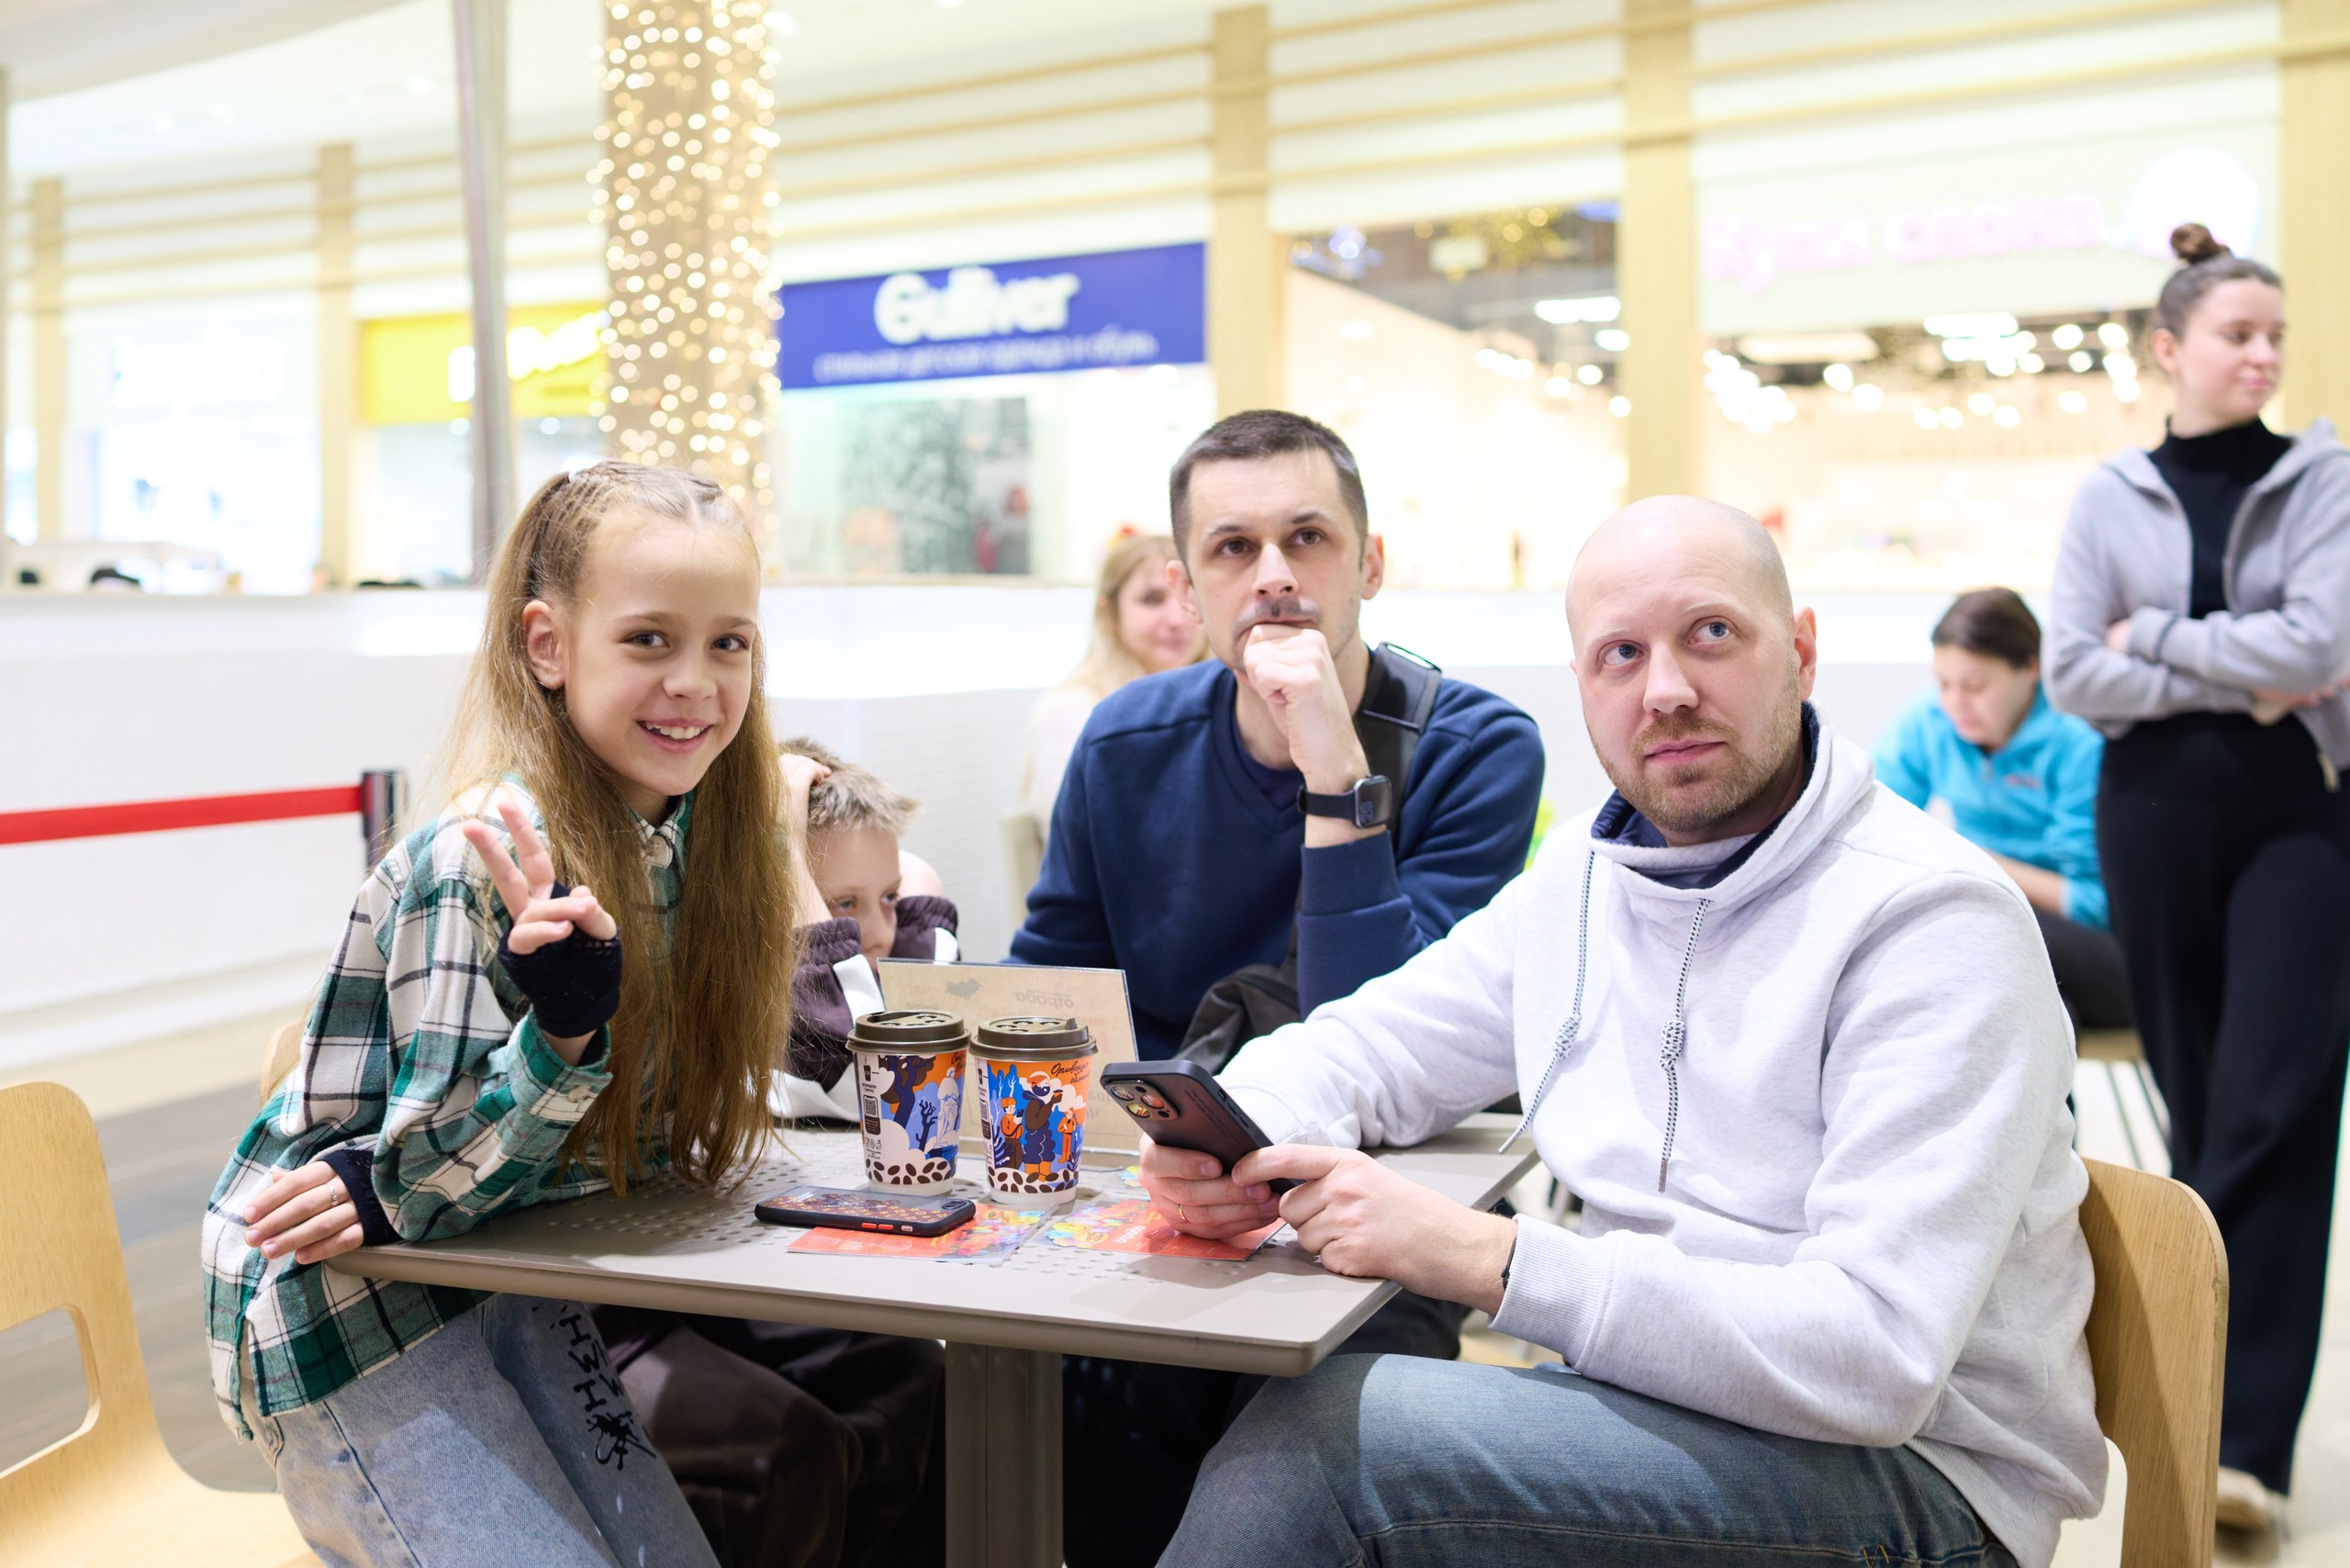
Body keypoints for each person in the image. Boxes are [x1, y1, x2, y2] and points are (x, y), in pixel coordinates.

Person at [1146, 495, 2104, 1568]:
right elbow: (1373, 1043)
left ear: (1800, 651)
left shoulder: (1933, 921)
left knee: (1322, 1454)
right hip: (1646, 1410)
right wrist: (1233, 1128)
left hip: (1918, 1483)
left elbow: (1876, 1359)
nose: (1665, 690)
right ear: (1583, 687)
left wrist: (1489, 1255)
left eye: (1711, 633)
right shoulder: (1587, 879)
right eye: (1620, 654)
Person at [203, 461, 798, 1568]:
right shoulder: (483, 852)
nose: (695, 683)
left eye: (730, 643)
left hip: (506, 1274)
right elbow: (412, 1180)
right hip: (355, 1308)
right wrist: (564, 1032)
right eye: (648, 639)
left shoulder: (702, 840)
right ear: (547, 645)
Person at [1013, 409, 1545, 1567]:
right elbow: (1053, 984)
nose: (1273, 576)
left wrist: (1333, 770)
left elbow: (1395, 1040)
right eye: (1232, 548)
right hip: (1166, 1188)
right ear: (1186, 588)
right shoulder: (1122, 740)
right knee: (1059, 1415)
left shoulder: (1478, 746)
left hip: (1384, 1201)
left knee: (1301, 1441)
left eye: (1306, 538)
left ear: (1370, 564)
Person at [2045, 221, 2350, 1535]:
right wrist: (2249, 672)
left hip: (2304, 821)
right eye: (2237, 334)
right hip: (2153, 817)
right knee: (2201, 1103)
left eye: (2275, 334)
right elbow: (2073, 667)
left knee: (2275, 1104)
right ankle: (2188, 1407)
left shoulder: (2323, 479)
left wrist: (2157, 638)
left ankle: (2247, 1445)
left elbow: (2322, 647)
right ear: (2169, 349)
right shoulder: (2109, 494)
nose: (2262, 354)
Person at [591, 742, 957, 1568]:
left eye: (890, 899)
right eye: (840, 906)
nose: (875, 931)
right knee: (791, 1450)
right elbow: (862, 1074)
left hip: (721, 1265)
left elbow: (932, 1041)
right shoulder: (749, 980)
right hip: (626, 1288)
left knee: (922, 1380)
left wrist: (916, 899)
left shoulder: (847, 953)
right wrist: (786, 863)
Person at [1874, 588, 2130, 1031]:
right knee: (2025, 1001)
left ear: (2031, 668)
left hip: (2103, 953)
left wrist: (1976, 862)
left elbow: (2095, 904)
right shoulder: (1930, 721)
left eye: (1975, 686)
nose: (1955, 703)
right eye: (1944, 684)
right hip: (2005, 938)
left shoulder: (2079, 740)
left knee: (1986, 930)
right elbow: (1873, 823)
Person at [1019, 531, 1206, 836]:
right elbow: (1088, 836)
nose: (1177, 619)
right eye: (1152, 599)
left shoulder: (1225, 703)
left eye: (1189, 597)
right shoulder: (1071, 712)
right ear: (1108, 613)